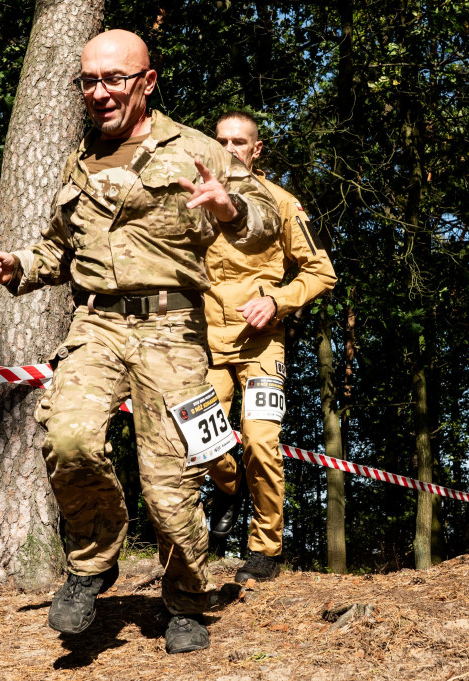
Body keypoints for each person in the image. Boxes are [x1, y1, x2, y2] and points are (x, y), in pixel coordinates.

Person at [0, 30, 279, 654]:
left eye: (115, 79)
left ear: (148, 82)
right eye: (89, 81)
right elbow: (58, 248)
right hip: (97, 323)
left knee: (172, 481)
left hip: (173, 329)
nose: (100, 92)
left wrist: (230, 208)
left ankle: (187, 597)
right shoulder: (79, 157)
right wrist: (17, 266)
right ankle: (94, 560)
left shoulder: (196, 149)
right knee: (69, 436)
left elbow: (268, 220)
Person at [204, 110, 336, 583]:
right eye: (221, 140)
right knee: (204, 445)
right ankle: (227, 487)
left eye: (239, 141)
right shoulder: (193, 200)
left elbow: (322, 271)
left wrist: (276, 301)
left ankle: (265, 549)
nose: (230, 148)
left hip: (262, 344)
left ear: (257, 149)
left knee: (261, 441)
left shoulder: (281, 203)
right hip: (203, 342)